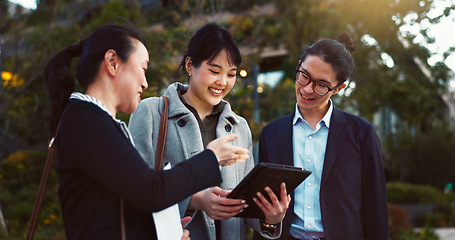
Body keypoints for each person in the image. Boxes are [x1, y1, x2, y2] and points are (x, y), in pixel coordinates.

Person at [44, 24, 250, 240]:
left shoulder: (94, 120)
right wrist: (212, 157)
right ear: (113, 63)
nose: (145, 82)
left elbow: (129, 202)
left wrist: (163, 233)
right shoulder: (86, 121)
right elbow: (151, 191)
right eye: (142, 68)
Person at [129, 23, 290, 240]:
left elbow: (245, 209)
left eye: (231, 74)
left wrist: (271, 216)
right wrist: (195, 200)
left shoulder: (239, 127)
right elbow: (134, 191)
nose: (222, 82)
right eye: (214, 71)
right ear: (189, 65)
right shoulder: (151, 113)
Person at [253, 34, 389, 240]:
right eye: (304, 76)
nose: (307, 89)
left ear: (339, 88)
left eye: (321, 85)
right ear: (299, 66)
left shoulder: (362, 134)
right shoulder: (271, 133)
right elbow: (264, 205)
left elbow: (375, 208)